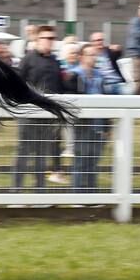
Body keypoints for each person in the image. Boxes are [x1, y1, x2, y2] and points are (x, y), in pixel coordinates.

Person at [12, 25, 64, 192]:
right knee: (24, 154)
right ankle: (15, 192)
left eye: (53, 38)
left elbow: (59, 88)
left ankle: (39, 192)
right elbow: (17, 83)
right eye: (47, 38)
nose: (50, 41)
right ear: (37, 39)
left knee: (42, 156)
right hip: (28, 115)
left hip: (47, 117)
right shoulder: (28, 59)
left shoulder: (56, 62)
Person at [64, 43, 110, 195]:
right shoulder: (74, 75)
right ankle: (77, 196)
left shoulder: (99, 76)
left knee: (93, 164)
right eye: (91, 55)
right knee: (81, 162)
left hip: (98, 126)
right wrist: (92, 98)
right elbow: (73, 101)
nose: (94, 58)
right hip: (83, 127)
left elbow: (108, 103)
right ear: (82, 57)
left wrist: (108, 127)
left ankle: (92, 196)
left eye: (95, 55)